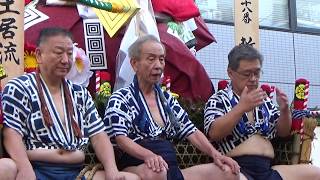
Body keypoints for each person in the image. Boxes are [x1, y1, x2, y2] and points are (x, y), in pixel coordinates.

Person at [1, 27, 139, 180]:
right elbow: (11, 132)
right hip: (36, 167)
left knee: (130, 179)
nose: (66, 60)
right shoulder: (19, 87)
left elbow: (99, 135)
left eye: (69, 53)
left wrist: (112, 169)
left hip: (76, 171)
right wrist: (24, 167)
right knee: (5, 167)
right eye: (59, 53)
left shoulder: (80, 93)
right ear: (39, 55)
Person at [104, 35, 241, 180]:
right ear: (134, 63)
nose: (158, 65)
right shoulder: (121, 98)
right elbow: (121, 139)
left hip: (170, 169)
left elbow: (191, 131)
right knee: (157, 171)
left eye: (161, 59)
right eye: (151, 59)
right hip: (138, 167)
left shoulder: (167, 99)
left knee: (228, 171)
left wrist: (216, 154)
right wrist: (148, 155)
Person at [204, 44, 320, 180]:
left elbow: (282, 132)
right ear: (230, 73)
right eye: (247, 74)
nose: (253, 79)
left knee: (315, 173)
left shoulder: (264, 100)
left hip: (267, 168)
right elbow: (214, 133)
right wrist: (241, 108)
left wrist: (284, 111)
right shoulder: (219, 98)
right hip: (236, 169)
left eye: (257, 73)